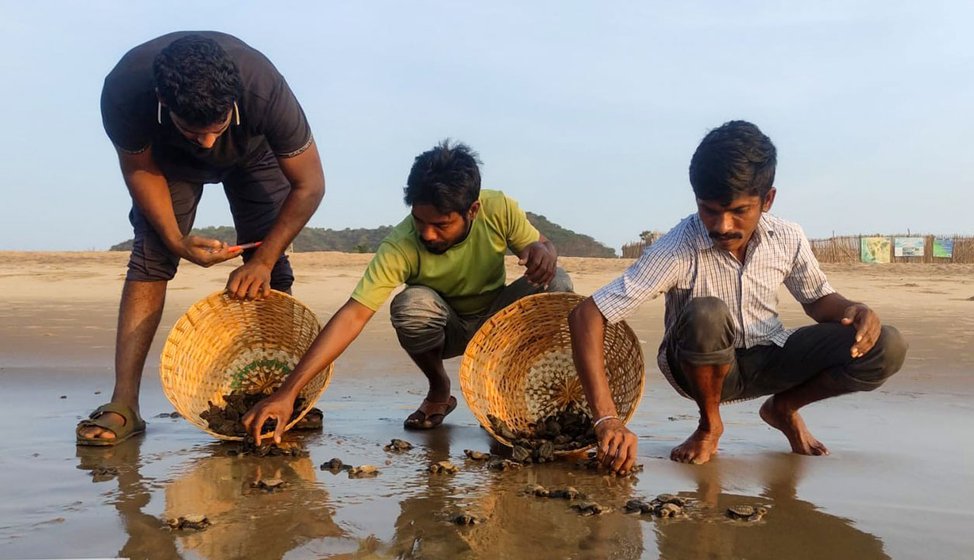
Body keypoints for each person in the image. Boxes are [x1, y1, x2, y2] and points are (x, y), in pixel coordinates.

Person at [569, 120, 907, 471]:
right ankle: (709, 424)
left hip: (770, 356)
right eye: (709, 210)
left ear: (767, 200)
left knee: (887, 346)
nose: (722, 226)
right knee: (707, 314)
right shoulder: (676, 248)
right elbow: (586, 316)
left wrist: (856, 309)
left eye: (738, 211)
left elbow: (819, 302)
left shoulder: (787, 237)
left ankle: (783, 408)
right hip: (699, 365)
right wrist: (606, 419)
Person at [76, 32, 325, 445]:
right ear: (162, 100)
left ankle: (284, 394)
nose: (209, 145)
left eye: (217, 128)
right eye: (195, 133)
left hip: (255, 152)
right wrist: (175, 240)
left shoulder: (263, 87)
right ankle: (124, 404)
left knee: (272, 262)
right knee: (151, 256)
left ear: (234, 100)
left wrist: (262, 260)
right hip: (165, 161)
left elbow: (310, 186)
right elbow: (138, 167)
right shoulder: (125, 90)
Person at [242, 140, 573, 442]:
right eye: (419, 221)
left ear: (472, 210)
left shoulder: (498, 208)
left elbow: (542, 244)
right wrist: (286, 393)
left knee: (556, 282)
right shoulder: (400, 244)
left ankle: (507, 384)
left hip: (500, 326)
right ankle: (439, 388)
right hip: (447, 328)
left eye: (441, 225)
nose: (427, 234)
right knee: (410, 305)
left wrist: (546, 253)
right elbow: (353, 315)